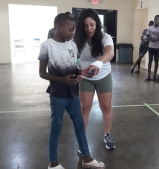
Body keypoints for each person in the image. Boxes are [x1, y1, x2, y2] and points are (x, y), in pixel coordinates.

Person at [38, 13, 105, 169]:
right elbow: (42, 73)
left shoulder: (73, 45)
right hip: (58, 95)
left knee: (79, 125)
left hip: (73, 93)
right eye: (70, 30)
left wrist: (81, 72)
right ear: (59, 27)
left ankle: (87, 158)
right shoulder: (47, 45)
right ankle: (53, 163)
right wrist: (63, 80)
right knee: (57, 126)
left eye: (74, 30)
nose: (72, 33)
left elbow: (72, 67)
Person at [74, 8, 116, 150]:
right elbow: (73, 57)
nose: (89, 28)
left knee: (106, 107)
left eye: (92, 24)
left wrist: (98, 62)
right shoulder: (78, 39)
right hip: (86, 78)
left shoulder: (105, 37)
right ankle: (82, 138)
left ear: (97, 24)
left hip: (103, 75)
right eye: (85, 25)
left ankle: (108, 134)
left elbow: (110, 52)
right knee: (85, 108)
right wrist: (78, 71)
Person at [145, 15, 159, 82]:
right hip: (151, 47)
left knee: (156, 61)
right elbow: (147, 37)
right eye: (155, 19)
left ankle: (155, 76)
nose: (156, 20)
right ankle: (148, 76)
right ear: (154, 20)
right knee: (150, 61)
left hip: (157, 47)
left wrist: (158, 39)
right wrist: (151, 38)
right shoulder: (150, 28)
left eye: (158, 19)